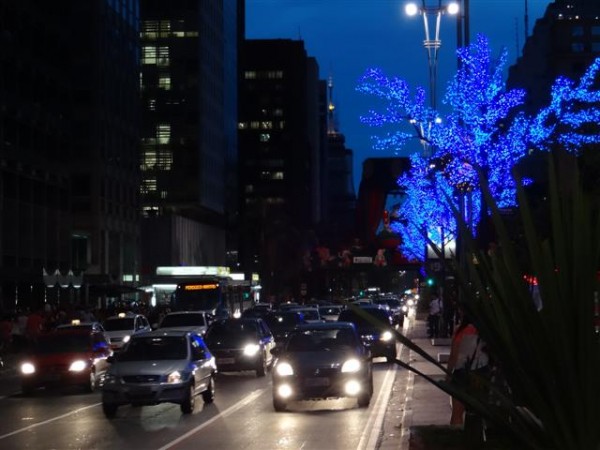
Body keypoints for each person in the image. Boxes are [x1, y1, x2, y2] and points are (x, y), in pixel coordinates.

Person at [446, 313, 490, 426]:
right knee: (478, 413)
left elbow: (453, 356)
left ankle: (457, 438)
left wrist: (448, 374)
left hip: (461, 373)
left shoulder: (461, 330)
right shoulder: (486, 332)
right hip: (481, 374)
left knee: (457, 413)